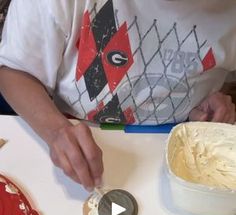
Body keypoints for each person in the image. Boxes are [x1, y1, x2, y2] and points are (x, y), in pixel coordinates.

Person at [0, 0, 235, 191]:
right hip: (77, 147)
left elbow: (219, 73)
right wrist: (55, 130)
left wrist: (214, 98)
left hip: (182, 163)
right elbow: (14, 72)